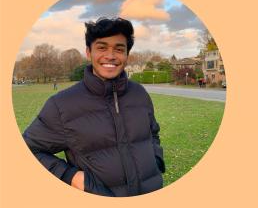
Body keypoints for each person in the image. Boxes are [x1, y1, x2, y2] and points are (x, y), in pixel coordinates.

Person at [22, 17, 165, 197]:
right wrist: (70, 176)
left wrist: (156, 160)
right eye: (102, 47)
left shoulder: (139, 93)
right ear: (89, 53)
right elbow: (28, 149)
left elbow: (152, 133)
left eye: (119, 49)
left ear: (127, 55)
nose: (111, 56)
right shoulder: (61, 105)